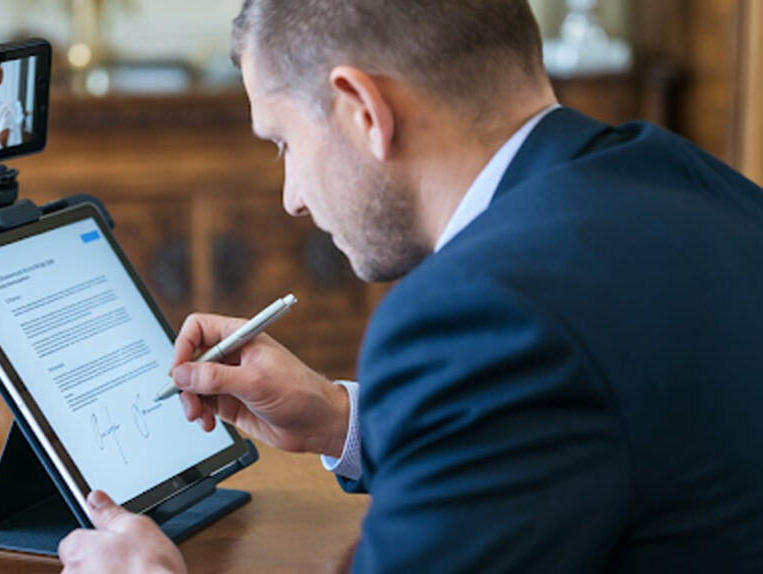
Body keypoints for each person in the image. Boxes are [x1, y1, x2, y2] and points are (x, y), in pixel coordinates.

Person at [58, 1, 763, 572]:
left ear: (362, 109)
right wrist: (341, 419)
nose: (292, 197)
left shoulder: (479, 310)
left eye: (283, 143)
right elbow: (565, 425)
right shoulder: (685, 173)